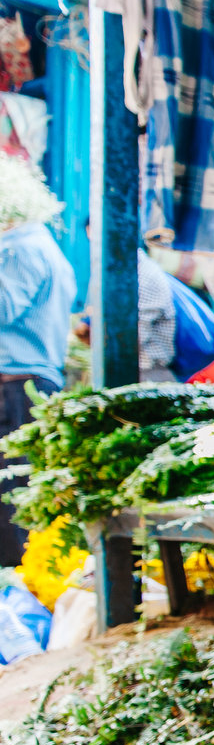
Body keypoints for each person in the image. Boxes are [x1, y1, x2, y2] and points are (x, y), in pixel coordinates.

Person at [0, 157, 74, 565]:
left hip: (18, 389)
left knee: (13, 492)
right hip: (26, 388)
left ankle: (15, 584)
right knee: (17, 488)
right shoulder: (38, 244)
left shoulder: (20, 247)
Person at [74, 248, 177, 381]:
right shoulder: (123, 272)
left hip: (148, 372)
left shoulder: (142, 274)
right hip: (139, 370)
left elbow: (131, 340)